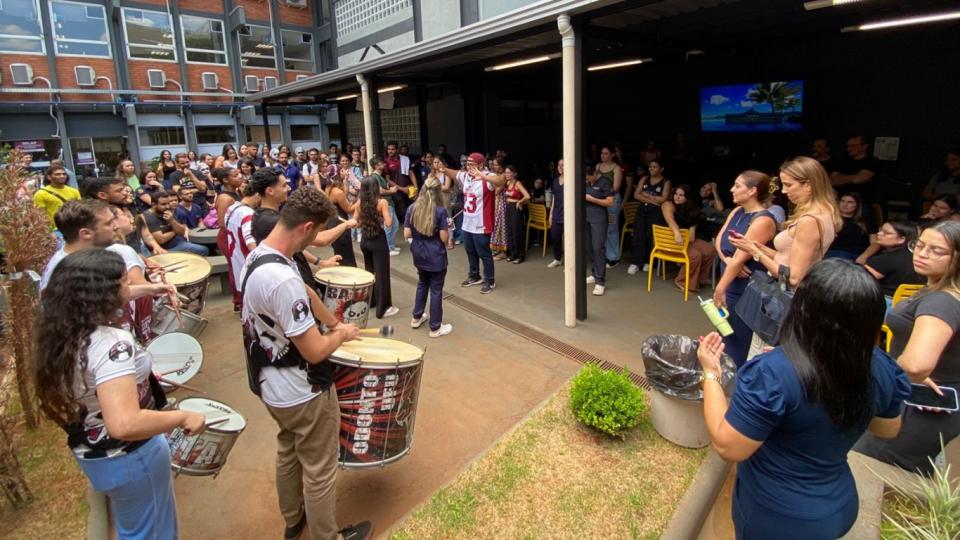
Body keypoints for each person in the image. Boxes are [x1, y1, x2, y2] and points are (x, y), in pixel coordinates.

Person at [697, 258, 909, 540]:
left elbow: (728, 446)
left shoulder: (773, 374)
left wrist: (711, 373)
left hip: (776, 517)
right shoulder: (880, 366)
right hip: (839, 505)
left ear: (803, 309)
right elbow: (888, 428)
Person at [36, 249, 202, 539]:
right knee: (152, 531)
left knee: (133, 526)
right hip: (131, 457)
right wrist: (182, 416)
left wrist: (153, 287)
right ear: (104, 293)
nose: (130, 286)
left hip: (93, 451)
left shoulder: (60, 334)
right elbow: (125, 424)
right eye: (125, 282)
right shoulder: (113, 344)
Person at [239, 186, 371, 540]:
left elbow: (309, 293)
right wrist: (339, 337)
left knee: (288, 449)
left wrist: (334, 322)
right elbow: (314, 351)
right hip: (304, 391)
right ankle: (328, 536)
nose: (316, 243)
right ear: (307, 227)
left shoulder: (260, 255)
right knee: (319, 468)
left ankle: (293, 519)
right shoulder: (282, 280)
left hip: (269, 387)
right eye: (317, 234)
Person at [855, 221, 960, 476]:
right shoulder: (938, 289)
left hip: (915, 408)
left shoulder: (941, 301)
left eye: (937, 250)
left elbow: (916, 364)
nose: (923, 254)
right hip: (922, 403)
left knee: (874, 472)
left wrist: (894, 372)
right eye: (920, 245)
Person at [729, 157, 841, 356]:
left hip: (786, 301)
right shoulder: (826, 213)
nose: (784, 191)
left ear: (808, 185)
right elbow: (788, 256)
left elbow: (792, 276)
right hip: (803, 298)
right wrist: (755, 246)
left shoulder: (809, 221)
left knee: (761, 357)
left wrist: (755, 252)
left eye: (789, 185)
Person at [713, 171, 778, 367]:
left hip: (744, 289)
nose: (732, 189)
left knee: (738, 339)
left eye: (737, 185)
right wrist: (729, 260)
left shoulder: (763, 220)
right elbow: (719, 240)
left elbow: (742, 257)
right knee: (722, 334)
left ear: (752, 191)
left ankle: (733, 387)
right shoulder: (737, 211)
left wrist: (720, 288)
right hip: (728, 277)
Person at [404, 177, 453, 337]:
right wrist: (447, 225)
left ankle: (416, 317)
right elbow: (444, 238)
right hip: (436, 255)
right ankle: (435, 327)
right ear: (438, 191)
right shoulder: (440, 211)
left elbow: (406, 233)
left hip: (418, 253)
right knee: (436, 290)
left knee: (422, 284)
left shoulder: (412, 208)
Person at [456, 152, 507, 294]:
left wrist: (483, 176)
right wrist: (442, 169)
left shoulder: (488, 176)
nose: (469, 167)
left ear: (480, 165)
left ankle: (490, 280)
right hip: (467, 222)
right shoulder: (466, 175)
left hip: (481, 223)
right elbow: (455, 174)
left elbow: (501, 181)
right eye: (468, 164)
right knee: (470, 251)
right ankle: (474, 275)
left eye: (472, 164)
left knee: (484, 253)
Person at [40, 200, 118, 290]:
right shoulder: (69, 273)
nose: (116, 227)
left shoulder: (84, 259)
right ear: (86, 233)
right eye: (109, 223)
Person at [356, 176, 399, 318]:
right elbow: (388, 223)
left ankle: (372, 301)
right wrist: (381, 216)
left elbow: (355, 223)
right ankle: (383, 308)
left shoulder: (359, 203)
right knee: (382, 275)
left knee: (369, 273)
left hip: (364, 241)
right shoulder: (381, 202)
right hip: (378, 241)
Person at [660, 185, 716, 293]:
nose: (677, 197)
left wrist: (693, 227)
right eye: (676, 194)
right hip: (669, 240)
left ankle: (698, 280)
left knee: (710, 249)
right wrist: (676, 232)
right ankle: (681, 281)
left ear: (687, 198)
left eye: (681, 195)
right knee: (695, 255)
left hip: (684, 240)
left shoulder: (689, 207)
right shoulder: (668, 204)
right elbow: (670, 220)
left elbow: (695, 221)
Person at [859, 221, 922, 305]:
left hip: (888, 303)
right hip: (916, 303)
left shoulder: (885, 259)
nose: (879, 233)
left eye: (886, 233)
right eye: (881, 230)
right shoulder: (919, 256)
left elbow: (859, 281)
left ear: (901, 239)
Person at [627, 159, 671, 275]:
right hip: (642, 210)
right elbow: (636, 194)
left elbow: (663, 199)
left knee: (651, 236)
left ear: (661, 169)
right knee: (638, 235)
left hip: (655, 212)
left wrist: (645, 194)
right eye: (650, 167)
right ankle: (636, 263)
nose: (651, 169)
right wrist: (651, 198)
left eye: (655, 167)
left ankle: (648, 261)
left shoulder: (665, 182)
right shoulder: (644, 179)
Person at [142, 191, 209, 256]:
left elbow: (182, 231)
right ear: (153, 204)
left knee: (205, 247)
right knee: (203, 250)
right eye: (163, 204)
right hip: (167, 249)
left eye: (168, 203)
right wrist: (175, 231)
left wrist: (172, 220)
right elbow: (162, 240)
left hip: (179, 242)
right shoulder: (148, 217)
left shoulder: (167, 211)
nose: (167, 206)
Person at [225, 185, 260, 310]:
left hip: (237, 258)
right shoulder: (247, 213)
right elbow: (250, 242)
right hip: (247, 261)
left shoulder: (232, 208)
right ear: (257, 195)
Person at [585, 164, 614, 296]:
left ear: (594, 173)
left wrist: (592, 199)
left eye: (587, 177)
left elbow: (610, 202)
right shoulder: (584, 181)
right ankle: (594, 273)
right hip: (585, 218)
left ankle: (600, 282)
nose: (586, 180)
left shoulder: (604, 182)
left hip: (599, 219)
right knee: (589, 247)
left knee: (598, 248)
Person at [830, 135, 880, 211]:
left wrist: (842, 177)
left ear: (864, 146)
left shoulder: (872, 161)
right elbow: (833, 180)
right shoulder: (842, 161)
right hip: (841, 203)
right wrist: (853, 177)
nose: (849, 149)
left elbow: (859, 179)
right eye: (848, 146)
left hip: (862, 204)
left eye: (853, 146)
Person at [595, 146, 624, 267]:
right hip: (600, 199)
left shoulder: (616, 168)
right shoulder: (598, 166)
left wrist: (602, 190)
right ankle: (604, 254)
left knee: (612, 228)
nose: (603, 155)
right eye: (602, 153)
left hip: (612, 199)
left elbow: (616, 187)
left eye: (606, 153)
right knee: (601, 227)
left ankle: (613, 257)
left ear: (612, 155)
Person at [325, 165, 359, 267]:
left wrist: (346, 180)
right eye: (343, 171)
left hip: (332, 223)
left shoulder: (329, 188)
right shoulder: (337, 192)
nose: (346, 172)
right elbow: (349, 210)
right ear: (338, 174)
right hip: (340, 224)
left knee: (339, 253)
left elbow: (345, 192)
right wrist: (360, 201)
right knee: (346, 256)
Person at [370, 157, 401, 254]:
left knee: (395, 225)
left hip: (389, 203)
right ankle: (388, 248)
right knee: (389, 226)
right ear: (376, 166)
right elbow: (379, 190)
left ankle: (391, 245)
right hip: (385, 203)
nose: (384, 164)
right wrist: (391, 191)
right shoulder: (375, 177)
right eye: (381, 163)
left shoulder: (380, 176)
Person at [826, 193, 870, 260]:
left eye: (850, 202)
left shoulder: (863, 221)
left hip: (860, 255)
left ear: (857, 205)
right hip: (836, 253)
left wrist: (864, 256)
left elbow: (875, 243)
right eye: (842, 201)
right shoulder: (831, 219)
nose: (845, 205)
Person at [504, 165, 531, 264]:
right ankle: (513, 253)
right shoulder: (507, 183)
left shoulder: (517, 183)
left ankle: (520, 255)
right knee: (509, 232)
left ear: (514, 173)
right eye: (505, 172)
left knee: (517, 232)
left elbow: (527, 196)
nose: (506, 174)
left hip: (515, 209)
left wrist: (520, 202)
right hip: (508, 208)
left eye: (508, 172)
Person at [489, 158, 510, 260]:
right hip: (495, 203)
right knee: (495, 226)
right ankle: (497, 249)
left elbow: (496, 191)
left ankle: (503, 252)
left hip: (502, 203)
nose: (494, 166)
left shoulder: (503, 176)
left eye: (496, 165)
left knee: (501, 226)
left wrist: (490, 180)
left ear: (501, 166)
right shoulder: (495, 175)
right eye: (493, 164)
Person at [547, 159, 566, 268]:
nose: (560, 167)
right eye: (559, 165)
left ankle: (570, 263)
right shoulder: (555, 181)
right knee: (555, 236)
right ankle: (557, 259)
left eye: (563, 165)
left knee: (569, 240)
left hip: (568, 213)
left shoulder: (571, 180)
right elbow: (554, 197)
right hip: (557, 213)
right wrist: (551, 213)